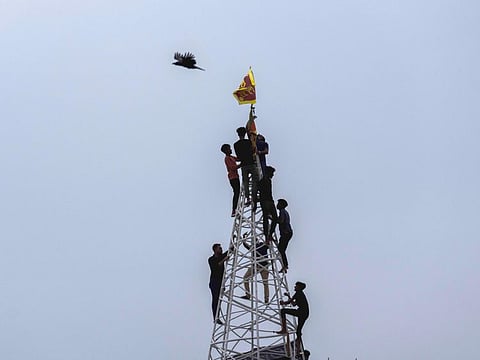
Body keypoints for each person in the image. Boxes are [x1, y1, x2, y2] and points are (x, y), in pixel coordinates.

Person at [277, 282, 309, 352]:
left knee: (283, 311)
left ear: (299, 287)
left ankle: (284, 329)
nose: (294, 287)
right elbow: (294, 304)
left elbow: (289, 302)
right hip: (305, 314)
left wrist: (283, 302)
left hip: (301, 312)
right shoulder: (300, 294)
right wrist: (288, 296)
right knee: (298, 330)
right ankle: (298, 347)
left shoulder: (298, 293)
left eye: (296, 286)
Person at [234, 127, 258, 205]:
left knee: (246, 182)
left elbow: (238, 156)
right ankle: (254, 196)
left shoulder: (236, 145)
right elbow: (253, 150)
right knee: (255, 180)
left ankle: (248, 198)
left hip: (243, 165)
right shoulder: (248, 142)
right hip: (251, 163)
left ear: (238, 134)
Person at [240, 238, 270, 303]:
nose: (253, 241)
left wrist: (269, 236)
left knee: (265, 282)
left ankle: (266, 298)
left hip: (264, 265)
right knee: (245, 278)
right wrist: (243, 238)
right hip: (255, 266)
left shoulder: (262, 244)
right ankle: (248, 295)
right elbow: (246, 245)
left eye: (254, 240)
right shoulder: (252, 247)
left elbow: (268, 244)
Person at [208, 243, 229, 324]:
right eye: (219, 248)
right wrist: (224, 259)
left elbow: (230, 251)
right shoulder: (211, 259)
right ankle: (216, 317)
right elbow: (216, 267)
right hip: (214, 282)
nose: (221, 249)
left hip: (220, 283)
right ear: (215, 249)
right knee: (216, 299)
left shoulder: (221, 256)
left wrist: (234, 240)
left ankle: (217, 317)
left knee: (219, 300)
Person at [257, 166, 278, 239]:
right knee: (269, 218)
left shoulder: (267, 180)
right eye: (272, 173)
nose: (273, 175)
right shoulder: (264, 181)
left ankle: (268, 235)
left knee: (267, 218)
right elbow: (259, 191)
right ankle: (268, 235)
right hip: (267, 201)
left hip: (267, 201)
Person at [220, 144, 240, 217]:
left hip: (235, 177)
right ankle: (234, 209)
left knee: (237, 192)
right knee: (236, 192)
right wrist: (241, 165)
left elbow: (238, 159)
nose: (231, 150)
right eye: (229, 149)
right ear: (226, 151)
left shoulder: (231, 157)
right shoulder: (227, 158)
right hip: (232, 177)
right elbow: (232, 167)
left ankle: (236, 207)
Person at [277, 199, 293, 273]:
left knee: (281, 249)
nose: (277, 205)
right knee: (281, 249)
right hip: (287, 233)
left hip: (286, 232)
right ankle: (285, 265)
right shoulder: (284, 212)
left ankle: (285, 265)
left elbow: (281, 221)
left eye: (278, 204)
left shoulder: (282, 211)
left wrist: (273, 218)